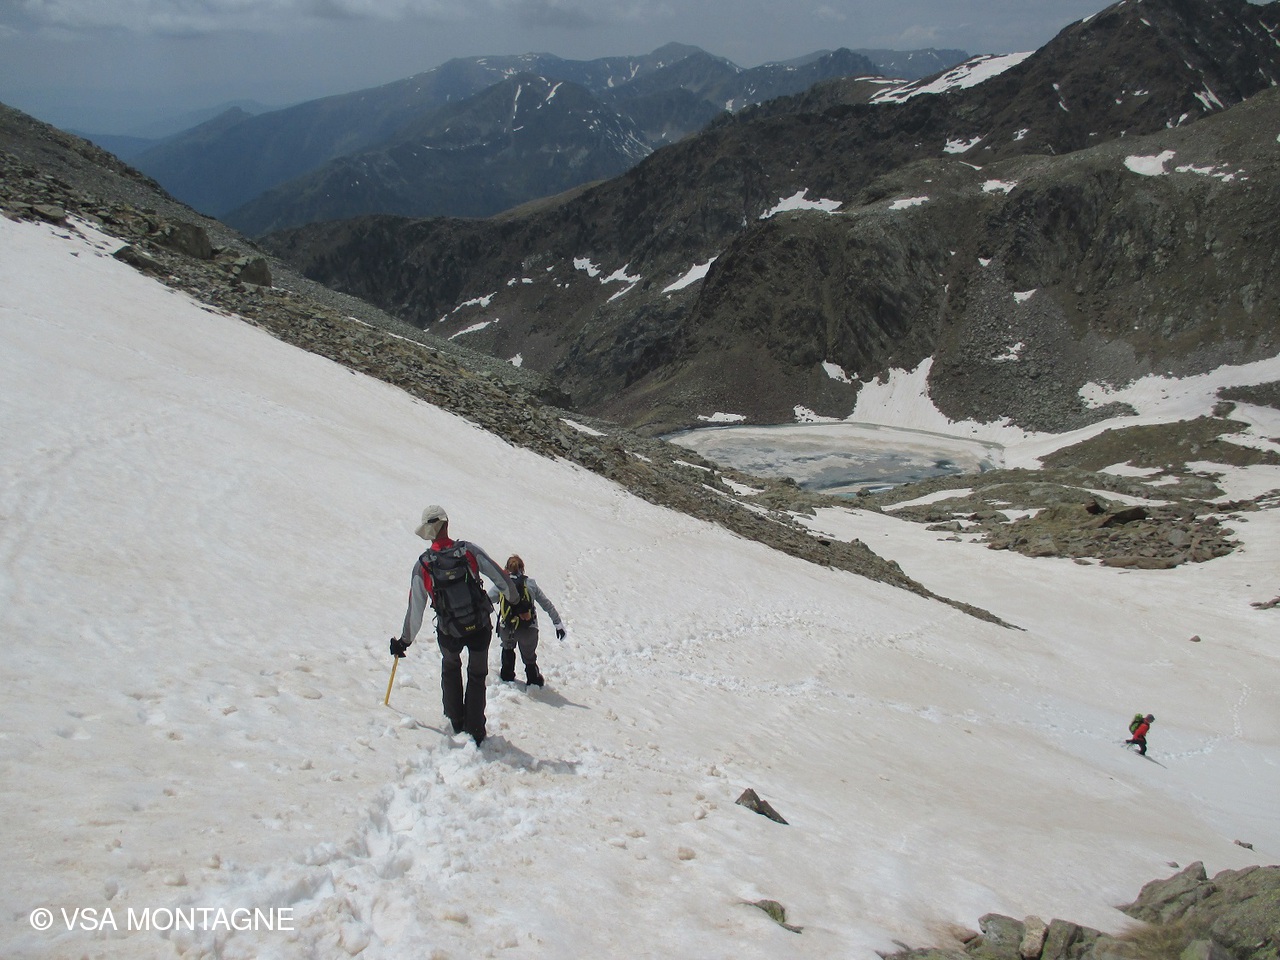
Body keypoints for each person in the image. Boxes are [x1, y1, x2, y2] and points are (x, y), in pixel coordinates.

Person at [391, 505, 518, 745]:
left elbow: (415, 608)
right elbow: (500, 577)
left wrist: (404, 641)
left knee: (450, 667)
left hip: (449, 630)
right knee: (477, 674)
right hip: (479, 625)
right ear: (446, 524)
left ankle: (455, 721)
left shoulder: (424, 565)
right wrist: (513, 598)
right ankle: (475, 730)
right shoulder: (468, 551)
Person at [487, 554, 566, 687]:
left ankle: (507, 676)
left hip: (507, 628)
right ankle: (533, 680)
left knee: (507, 649)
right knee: (529, 658)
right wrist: (558, 623)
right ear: (522, 569)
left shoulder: (502, 584)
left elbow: (486, 601)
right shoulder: (530, 584)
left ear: (506, 568)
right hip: (529, 629)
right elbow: (546, 604)